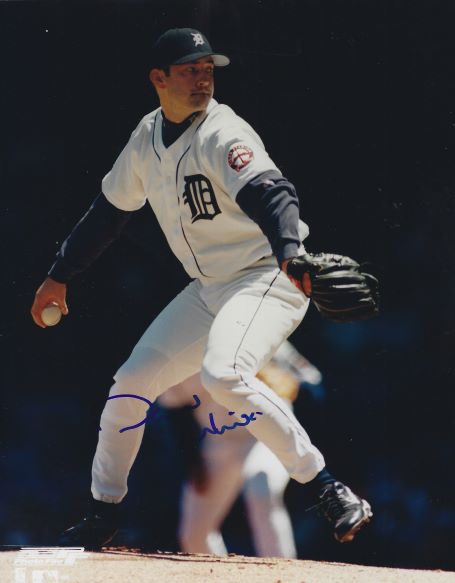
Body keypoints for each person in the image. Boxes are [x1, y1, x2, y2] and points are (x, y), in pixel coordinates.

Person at [31, 28, 372, 549]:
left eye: (208, 69)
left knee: (223, 374)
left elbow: (272, 193)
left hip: (267, 275)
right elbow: (108, 213)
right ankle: (103, 511)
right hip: (211, 287)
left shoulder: (223, 132)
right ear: (158, 78)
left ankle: (328, 487)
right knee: (129, 384)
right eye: (190, 69)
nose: (203, 78)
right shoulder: (146, 137)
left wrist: (290, 253)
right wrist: (59, 275)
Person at [161, 340, 321, 558]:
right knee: (193, 534)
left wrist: (293, 386)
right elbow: (174, 408)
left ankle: (281, 571)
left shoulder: (261, 336)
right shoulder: (183, 351)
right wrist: (192, 460)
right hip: (217, 444)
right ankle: (217, 573)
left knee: (261, 486)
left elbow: (314, 387)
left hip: (266, 439)